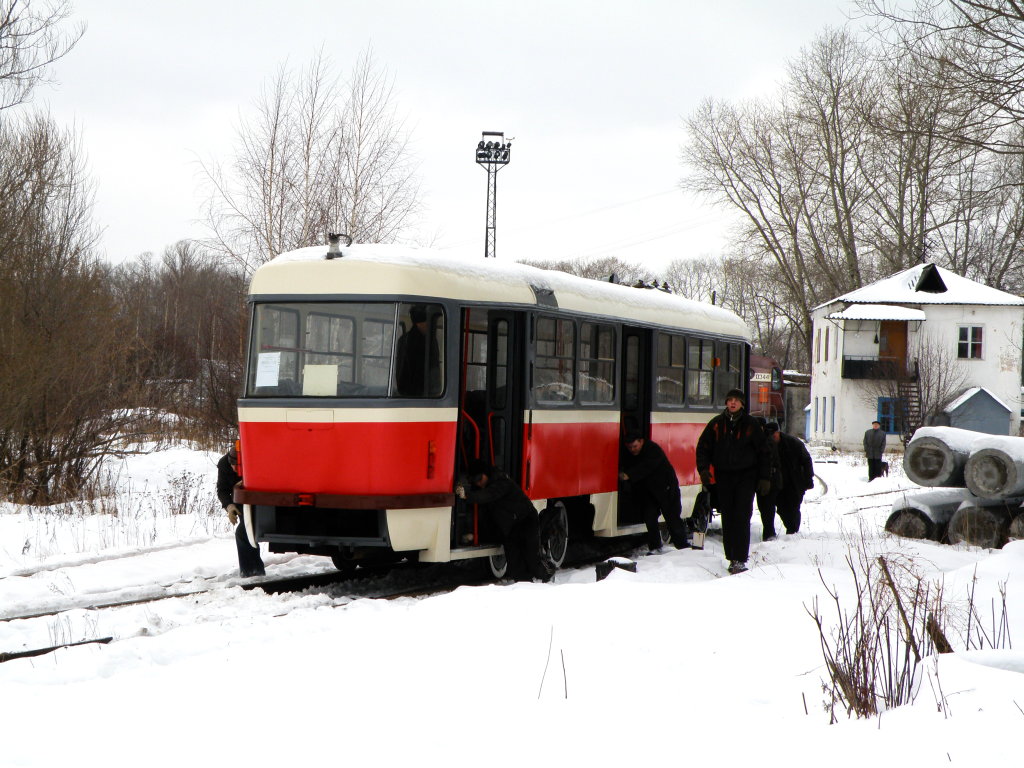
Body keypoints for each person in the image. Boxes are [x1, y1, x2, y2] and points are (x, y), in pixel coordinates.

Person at [695, 388, 770, 574]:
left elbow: (764, 453)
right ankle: (731, 557)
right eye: (730, 400)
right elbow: (703, 448)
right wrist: (704, 470)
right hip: (724, 476)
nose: (732, 403)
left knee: (742, 516)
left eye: (736, 400)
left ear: (742, 404)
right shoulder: (716, 425)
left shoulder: (751, 425)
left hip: (746, 476)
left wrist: (765, 477)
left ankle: (740, 558)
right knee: (727, 517)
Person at [454, 459, 552, 582]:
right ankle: (525, 587)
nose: (478, 483)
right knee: (515, 566)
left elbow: (489, 495)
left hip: (526, 521)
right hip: (510, 527)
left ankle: (549, 574)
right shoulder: (486, 487)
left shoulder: (501, 481)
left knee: (533, 560)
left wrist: (467, 496)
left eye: (479, 478)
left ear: (486, 473)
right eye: (474, 481)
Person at [618, 432, 690, 553]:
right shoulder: (632, 454)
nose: (632, 449)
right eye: (630, 447)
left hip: (666, 488)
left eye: (635, 446)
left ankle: (682, 546)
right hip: (649, 491)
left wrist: (629, 474)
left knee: (672, 518)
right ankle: (655, 546)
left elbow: (647, 466)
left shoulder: (653, 449)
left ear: (641, 441)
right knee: (649, 518)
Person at [217, 445, 265, 578]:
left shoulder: (256, 462)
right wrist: (229, 506)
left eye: (237, 464)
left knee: (243, 533)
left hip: (258, 501)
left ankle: (251, 572)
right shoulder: (223, 464)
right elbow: (222, 489)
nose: (233, 467)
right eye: (231, 463)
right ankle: (253, 571)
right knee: (246, 534)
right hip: (241, 503)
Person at [769, 423, 815, 535]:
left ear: (778, 432)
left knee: (794, 506)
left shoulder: (793, 443)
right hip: (779, 482)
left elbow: (806, 460)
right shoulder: (768, 444)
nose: (772, 437)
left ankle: (793, 530)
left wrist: (809, 478)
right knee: (781, 507)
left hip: (795, 481)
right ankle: (791, 527)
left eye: (773, 434)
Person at [395, 304, 440, 397]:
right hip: (418, 393)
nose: (429, 326)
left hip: (409, 392)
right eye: (426, 322)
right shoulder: (425, 341)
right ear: (419, 323)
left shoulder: (404, 339)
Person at [755, 418, 784, 541]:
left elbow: (769, 461)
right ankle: (768, 532)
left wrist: (766, 479)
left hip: (771, 479)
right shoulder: (761, 439)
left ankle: (769, 533)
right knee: (763, 507)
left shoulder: (767, 441)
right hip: (763, 479)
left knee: (768, 507)